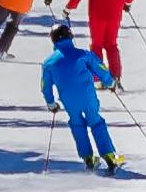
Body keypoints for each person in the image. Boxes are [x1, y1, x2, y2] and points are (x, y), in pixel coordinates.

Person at [37, 22, 120, 172]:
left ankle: (88, 158)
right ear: (70, 36)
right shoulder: (83, 55)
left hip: (69, 101)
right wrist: (110, 82)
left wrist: (51, 103)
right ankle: (109, 156)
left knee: (77, 124)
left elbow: (45, 86)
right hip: (87, 96)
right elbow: (99, 68)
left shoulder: (48, 63)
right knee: (95, 121)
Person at [66, 0, 141, 85]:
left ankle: (98, 78)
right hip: (114, 16)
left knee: (96, 45)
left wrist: (69, 8)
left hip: (97, 16)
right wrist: (127, 2)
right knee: (111, 45)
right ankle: (115, 77)